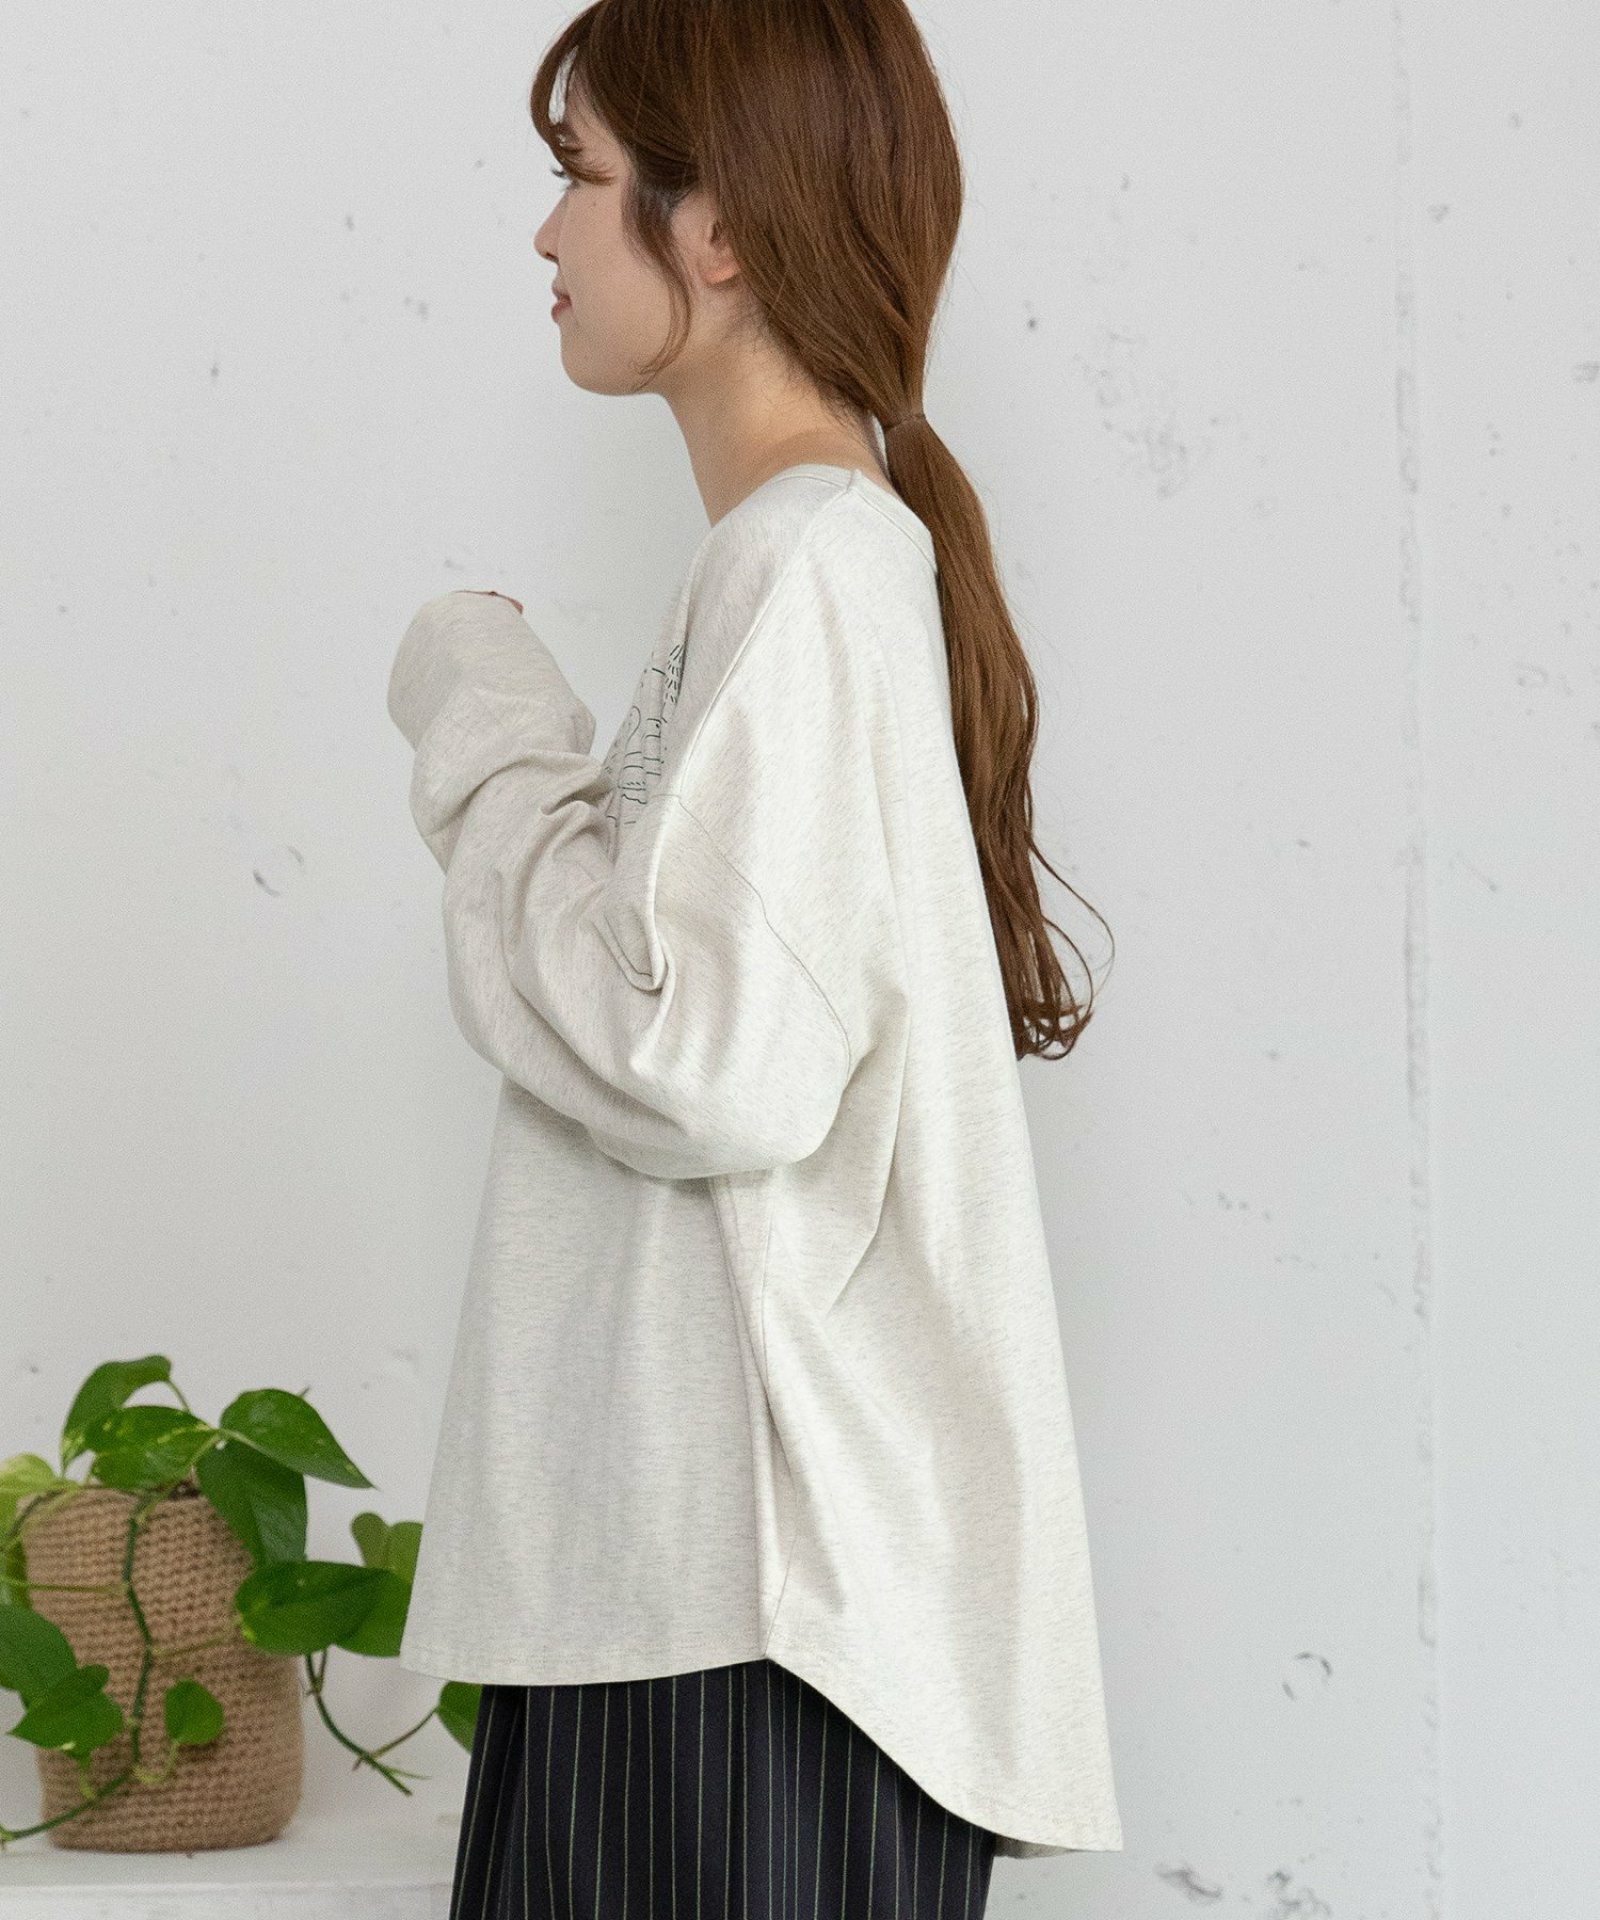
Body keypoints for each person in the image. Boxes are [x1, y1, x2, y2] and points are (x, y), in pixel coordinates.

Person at [385, 2, 1124, 1913]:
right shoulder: (808, 563)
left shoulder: (807, 564)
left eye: (581, 177)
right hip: (714, 1614)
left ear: (715, 230)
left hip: (741, 1636)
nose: (547, 232)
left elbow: (702, 1066)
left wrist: (490, 723)